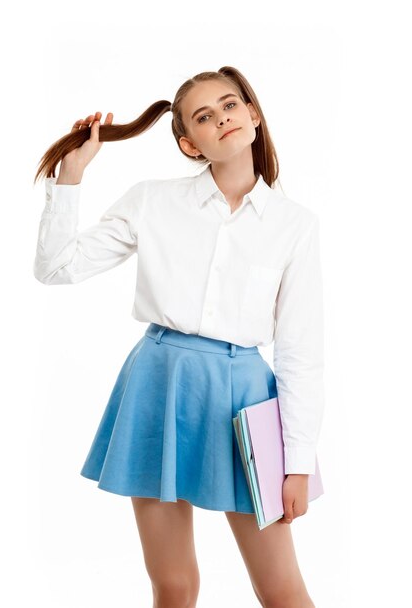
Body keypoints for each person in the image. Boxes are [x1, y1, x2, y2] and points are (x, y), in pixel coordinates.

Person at [33, 65, 324, 608]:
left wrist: (298, 461)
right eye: (205, 116)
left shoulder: (294, 225)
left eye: (231, 105)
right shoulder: (152, 200)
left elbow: (300, 353)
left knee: (282, 590)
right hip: (157, 385)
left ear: (254, 116)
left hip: (247, 402)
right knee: (173, 585)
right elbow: (56, 268)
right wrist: (70, 176)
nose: (223, 119)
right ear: (191, 144)